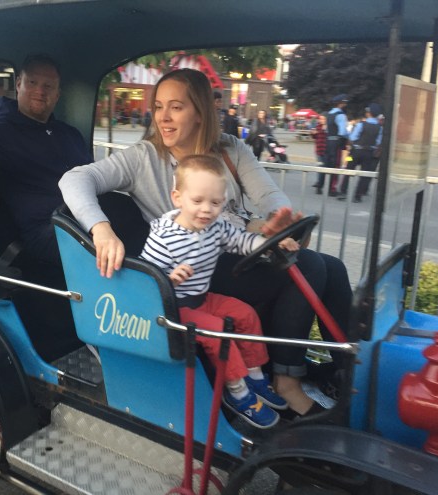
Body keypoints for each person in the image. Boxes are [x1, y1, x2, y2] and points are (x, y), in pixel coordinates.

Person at [59, 68, 353, 418]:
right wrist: (101, 229)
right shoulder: (144, 157)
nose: (163, 117)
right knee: (310, 266)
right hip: (194, 268)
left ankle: (347, 373)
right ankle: (286, 381)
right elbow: (75, 179)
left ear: (199, 112)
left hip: (235, 246)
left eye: (176, 107)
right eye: (159, 107)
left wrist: (279, 219)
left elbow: (268, 194)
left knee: (334, 268)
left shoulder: (230, 149)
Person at [0, 53, 93, 357]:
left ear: (58, 94)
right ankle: (106, 335)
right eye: (33, 83)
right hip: (46, 230)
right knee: (111, 252)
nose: (40, 91)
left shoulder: (69, 135)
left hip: (84, 219)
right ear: (19, 85)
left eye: (48, 86)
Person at [141, 155, 297, 428]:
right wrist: (169, 279)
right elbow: (145, 280)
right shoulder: (163, 236)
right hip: (174, 307)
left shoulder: (216, 226)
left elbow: (241, 241)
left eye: (215, 203)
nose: (206, 210)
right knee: (218, 333)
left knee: (245, 314)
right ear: (177, 198)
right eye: (197, 201)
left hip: (203, 298)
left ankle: (255, 378)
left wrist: (271, 244)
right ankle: (237, 393)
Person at [337, 103, 383, 203]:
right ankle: (358, 196)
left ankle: (343, 192)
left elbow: (353, 137)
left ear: (369, 113)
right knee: (364, 174)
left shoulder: (361, 124)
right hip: (369, 153)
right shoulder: (379, 128)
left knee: (348, 170)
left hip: (355, 151)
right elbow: (378, 142)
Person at [314, 94, 349, 196]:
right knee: (335, 166)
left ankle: (320, 186)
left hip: (327, 142)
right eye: (344, 103)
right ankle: (332, 189)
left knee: (325, 165)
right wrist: (349, 137)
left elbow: (326, 130)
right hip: (336, 142)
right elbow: (343, 132)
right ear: (341, 104)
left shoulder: (329, 114)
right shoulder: (341, 115)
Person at [311, 114, 328, 192]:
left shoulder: (328, 127)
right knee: (319, 167)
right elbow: (315, 137)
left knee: (323, 168)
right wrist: (313, 133)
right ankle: (318, 182)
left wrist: (322, 131)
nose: (321, 120)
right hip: (318, 150)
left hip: (325, 151)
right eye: (320, 119)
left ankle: (320, 185)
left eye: (323, 119)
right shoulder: (318, 126)